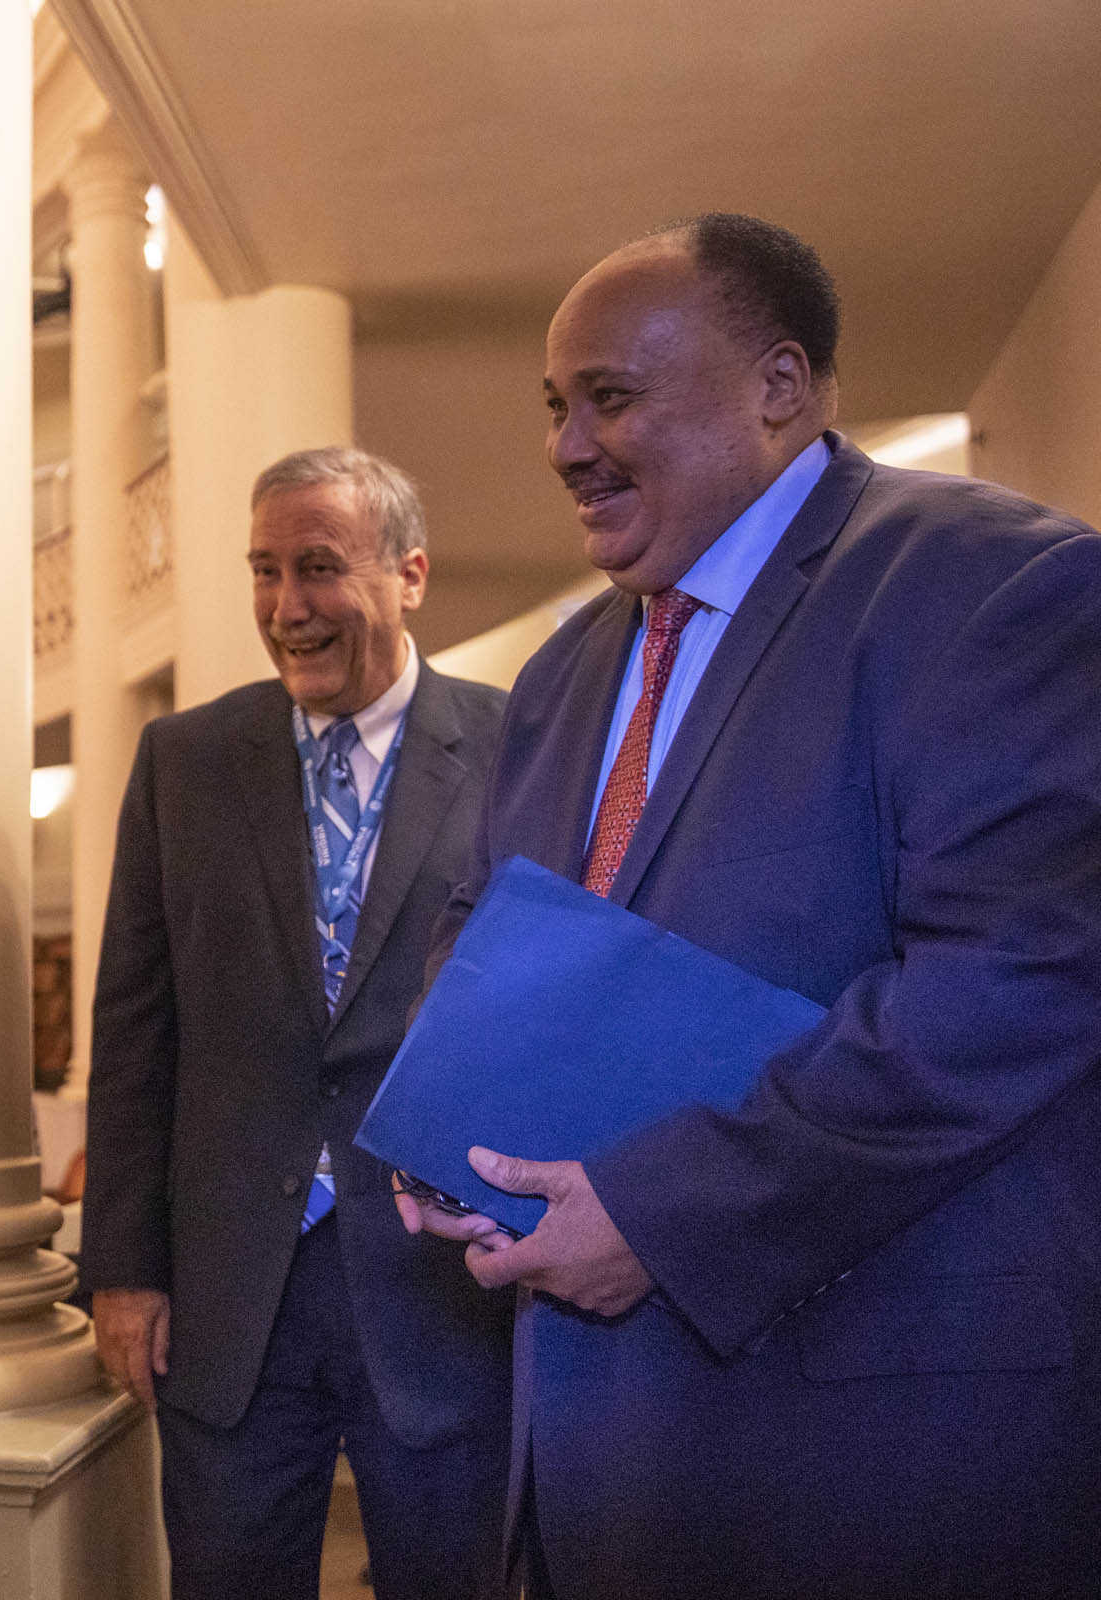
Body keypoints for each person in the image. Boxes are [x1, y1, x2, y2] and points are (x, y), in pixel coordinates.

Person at [396, 213, 1101, 1599]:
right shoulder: (561, 672)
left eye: (611, 395)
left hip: (868, 1453)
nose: (564, 445)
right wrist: (451, 1137)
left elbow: (1015, 980)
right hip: (591, 1454)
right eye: (556, 406)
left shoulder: (997, 583)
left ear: (778, 387)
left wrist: (662, 1214)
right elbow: (493, 940)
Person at [84, 447, 513, 1600]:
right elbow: (136, 1031)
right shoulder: (184, 762)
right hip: (229, 1302)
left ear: (410, 574)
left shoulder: (519, 748)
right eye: (264, 571)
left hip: (442, 1286)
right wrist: (121, 1267)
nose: (287, 608)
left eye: (318, 568)